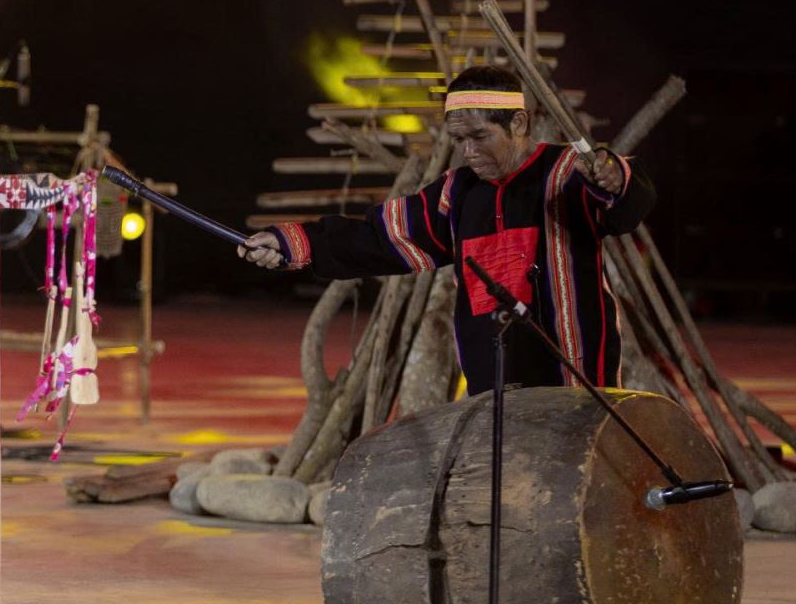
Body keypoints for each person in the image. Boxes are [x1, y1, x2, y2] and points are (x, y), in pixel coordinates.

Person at [240, 65, 655, 395]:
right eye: (459, 140)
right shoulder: (456, 193)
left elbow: (627, 205)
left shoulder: (568, 174)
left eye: (480, 136)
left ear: (518, 123)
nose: (469, 151)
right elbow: (377, 238)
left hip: (576, 387)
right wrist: (292, 243)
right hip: (493, 393)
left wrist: (615, 177)